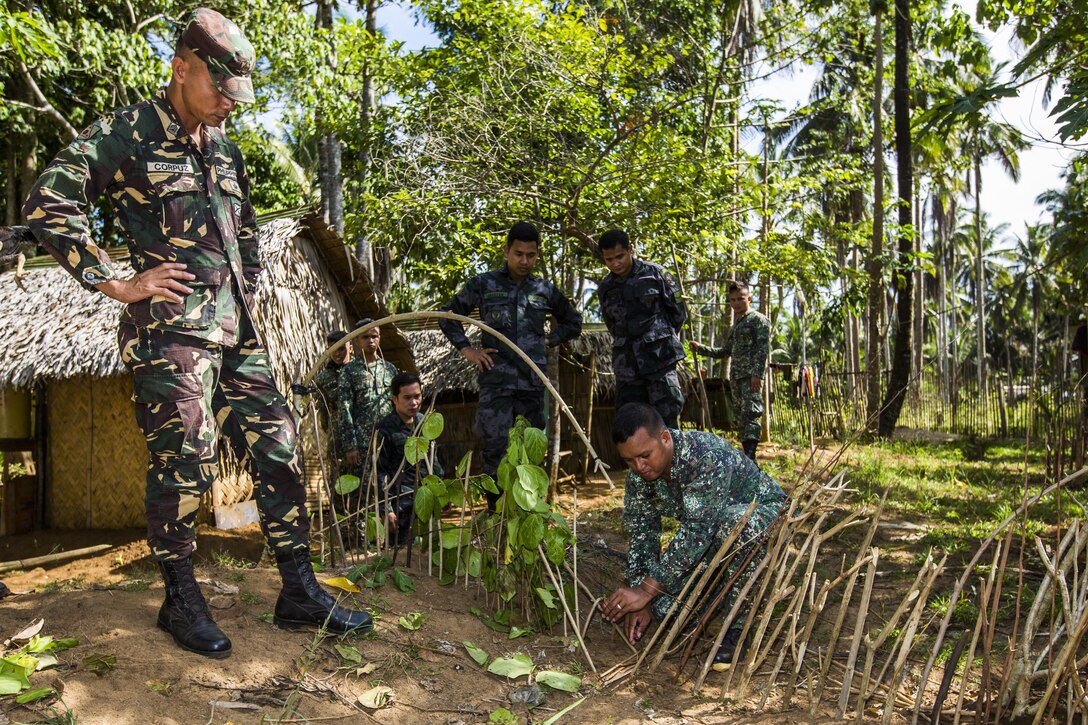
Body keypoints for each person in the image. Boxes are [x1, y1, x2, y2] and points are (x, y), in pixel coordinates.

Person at [21, 8, 370, 659]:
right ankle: (180, 597)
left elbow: (244, 232)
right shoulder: (127, 134)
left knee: (281, 448)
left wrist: (252, 283)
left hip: (237, 331)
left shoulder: (227, 149)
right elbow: (47, 201)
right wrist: (116, 280)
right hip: (171, 338)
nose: (229, 107)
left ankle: (298, 590)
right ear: (181, 67)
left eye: (238, 96)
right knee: (183, 461)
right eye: (220, 90)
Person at [601, 403, 785, 665]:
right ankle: (715, 590)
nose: (639, 467)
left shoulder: (705, 456)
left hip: (764, 518)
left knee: (734, 524)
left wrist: (646, 589)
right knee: (664, 610)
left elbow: (697, 532)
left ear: (665, 437)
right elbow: (642, 533)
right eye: (629, 461)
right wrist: (641, 597)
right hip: (713, 535)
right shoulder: (639, 478)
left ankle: (737, 631)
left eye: (644, 455)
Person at [439, 222, 582, 507]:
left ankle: (529, 515)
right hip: (496, 384)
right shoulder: (484, 283)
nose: (524, 261)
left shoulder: (545, 289)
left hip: (531, 385)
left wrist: (549, 340)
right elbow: (448, 316)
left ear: (537, 254)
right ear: (506, 251)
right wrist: (468, 350)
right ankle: (497, 517)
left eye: (531, 255)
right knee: (494, 451)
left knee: (530, 452)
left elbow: (573, 322)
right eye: (518, 254)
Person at [596, 229, 687, 428]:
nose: (615, 263)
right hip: (627, 368)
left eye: (619, 256)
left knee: (668, 419)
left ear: (630, 250)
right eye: (609, 259)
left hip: (659, 362)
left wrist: (658, 337)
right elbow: (612, 326)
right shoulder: (605, 288)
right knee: (632, 424)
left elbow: (678, 314)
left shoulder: (655, 274)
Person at [690, 282, 771, 461]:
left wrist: (757, 375)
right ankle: (749, 460)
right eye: (732, 300)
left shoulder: (758, 320)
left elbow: (762, 350)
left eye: (740, 299)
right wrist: (701, 348)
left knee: (751, 414)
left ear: (749, 298)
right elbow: (725, 351)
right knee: (741, 418)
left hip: (751, 377)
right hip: (736, 378)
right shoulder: (736, 326)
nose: (736, 304)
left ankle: (750, 457)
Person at [375, 372, 443, 545]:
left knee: (429, 550)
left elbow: (434, 462)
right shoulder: (385, 429)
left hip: (426, 499)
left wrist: (442, 494)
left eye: (417, 396)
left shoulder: (425, 423)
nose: (413, 403)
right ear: (395, 399)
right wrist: (386, 510)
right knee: (402, 554)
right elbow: (379, 472)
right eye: (407, 398)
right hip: (401, 504)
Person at [338, 318, 397, 480]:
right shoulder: (349, 371)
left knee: (389, 488)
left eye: (374, 336)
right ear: (357, 340)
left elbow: (398, 405)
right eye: (365, 337)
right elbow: (345, 409)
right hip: (362, 445)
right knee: (363, 494)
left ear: (380, 338)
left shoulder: (390, 369)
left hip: (388, 441)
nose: (370, 340)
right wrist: (351, 446)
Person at [313, 329, 351, 476]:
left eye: (341, 348)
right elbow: (323, 412)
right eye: (333, 349)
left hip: (363, 437)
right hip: (337, 439)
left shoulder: (360, 371)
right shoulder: (323, 378)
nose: (337, 353)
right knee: (337, 484)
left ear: (350, 348)